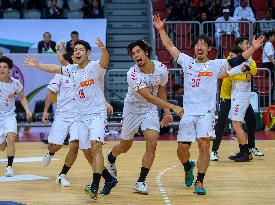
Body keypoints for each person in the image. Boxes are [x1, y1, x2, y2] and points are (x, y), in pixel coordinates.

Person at [153, 14, 264, 195]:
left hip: (206, 113)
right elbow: (169, 46)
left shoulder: (215, 65)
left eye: (203, 44)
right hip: (188, 113)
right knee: (182, 149)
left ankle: (200, 181)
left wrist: (253, 48)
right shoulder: (187, 62)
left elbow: (238, 59)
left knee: (204, 145)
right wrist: (160, 29)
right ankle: (188, 166)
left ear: (209, 48)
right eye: (197, 44)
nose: (199, 46)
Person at [24, 38, 115, 199]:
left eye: (80, 49)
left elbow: (105, 61)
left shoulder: (95, 67)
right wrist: (37, 65)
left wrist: (103, 49)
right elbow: (54, 68)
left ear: (88, 53)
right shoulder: (71, 69)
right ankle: (109, 179)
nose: (77, 52)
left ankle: (94, 186)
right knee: (87, 153)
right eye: (75, 50)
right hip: (80, 117)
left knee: (96, 147)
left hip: (97, 115)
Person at [105, 40, 183, 195]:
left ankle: (140, 181)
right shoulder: (132, 74)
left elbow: (161, 90)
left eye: (138, 51)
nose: (136, 55)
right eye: (133, 54)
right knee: (125, 146)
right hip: (132, 109)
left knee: (152, 143)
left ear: (146, 52)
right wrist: (173, 107)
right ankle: (111, 157)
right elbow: (149, 97)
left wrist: (167, 113)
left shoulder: (161, 68)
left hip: (149, 110)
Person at [210, 37, 264, 162]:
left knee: (237, 125)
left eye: (233, 56)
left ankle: (246, 151)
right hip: (232, 96)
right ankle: (222, 150)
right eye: (246, 43)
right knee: (226, 123)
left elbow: (222, 75)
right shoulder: (245, 62)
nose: (231, 58)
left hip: (240, 98)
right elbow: (248, 73)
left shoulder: (240, 64)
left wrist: (228, 68)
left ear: (239, 55)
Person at [0, 56, 32, 177]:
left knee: (11, 138)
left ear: (9, 70)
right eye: (0, 67)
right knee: (2, 147)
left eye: (4, 67)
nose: (1, 69)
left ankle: (9, 167)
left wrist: (27, 110)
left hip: (9, 116)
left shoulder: (15, 83)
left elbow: (22, 97)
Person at [262, 31, 275, 101]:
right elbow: (269, 55)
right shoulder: (269, 44)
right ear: (270, 37)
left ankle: (270, 99)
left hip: (268, 64)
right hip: (268, 65)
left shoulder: (268, 44)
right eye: (274, 36)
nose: (274, 38)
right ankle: (269, 99)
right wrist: (274, 63)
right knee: (270, 83)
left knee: (270, 83)